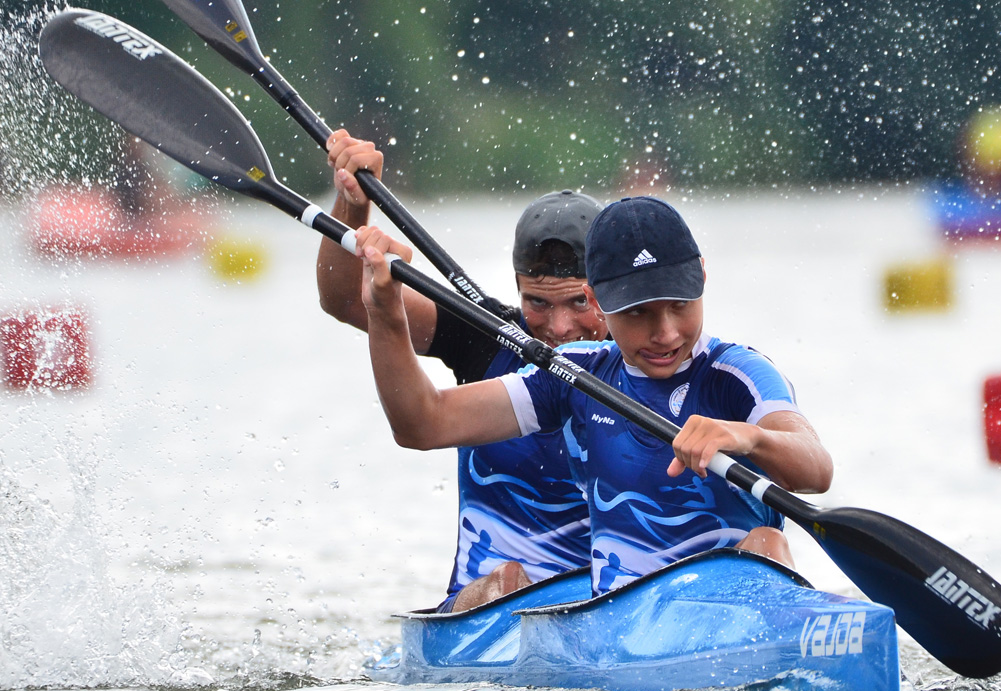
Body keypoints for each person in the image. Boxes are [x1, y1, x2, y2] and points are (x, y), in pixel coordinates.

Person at [355, 196, 833, 595]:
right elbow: (423, 423)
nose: (666, 332)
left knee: (768, 542)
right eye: (640, 313)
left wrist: (748, 438)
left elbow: (816, 469)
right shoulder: (575, 375)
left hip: (729, 610)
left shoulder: (739, 375)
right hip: (618, 630)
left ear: (703, 277)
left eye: (680, 307)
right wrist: (386, 313)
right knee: (507, 582)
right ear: (599, 300)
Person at [315, 130, 611, 611]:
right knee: (509, 580)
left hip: (611, 605)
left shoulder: (648, 364)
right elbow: (345, 299)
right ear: (517, 286)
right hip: (487, 609)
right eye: (536, 302)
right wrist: (353, 208)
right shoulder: (486, 338)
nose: (560, 328)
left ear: (614, 288)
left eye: (581, 302)